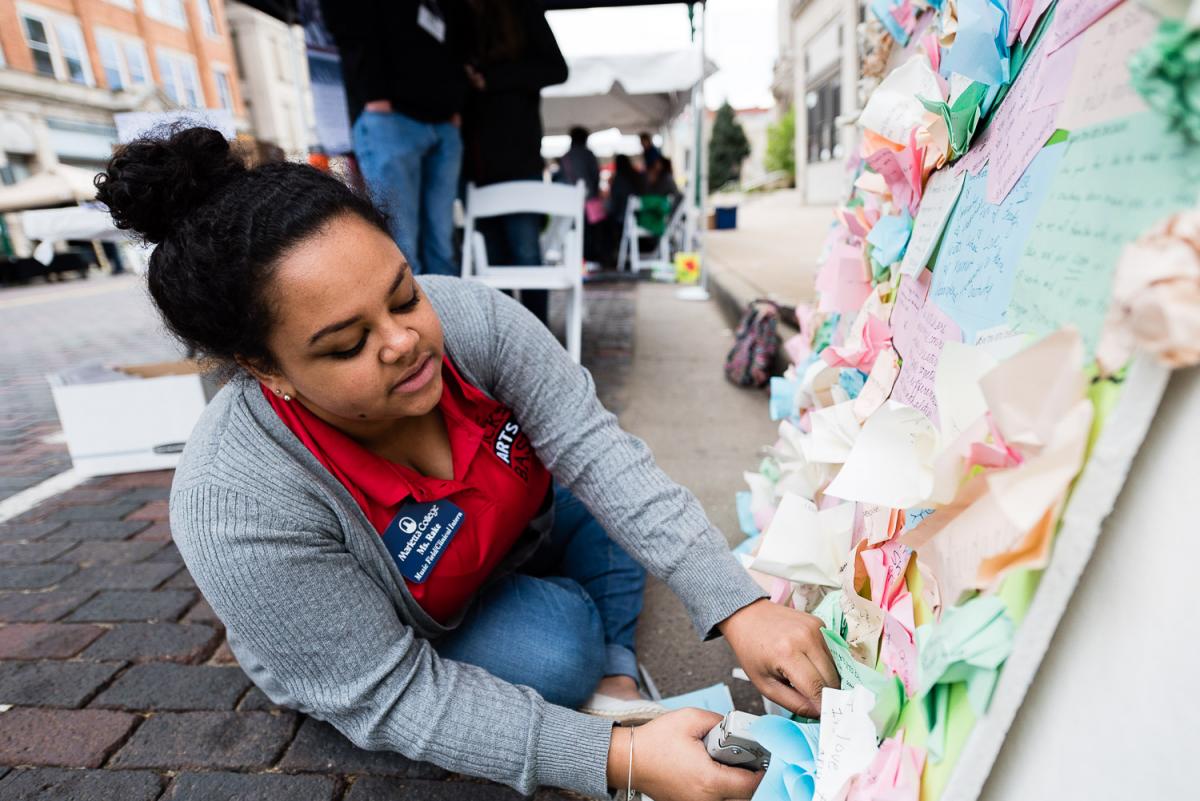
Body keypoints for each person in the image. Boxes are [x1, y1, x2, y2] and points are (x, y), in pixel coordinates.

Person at [94, 127, 839, 801]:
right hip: (409, 624)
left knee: (610, 495)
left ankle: (616, 669)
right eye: (346, 344)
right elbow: (391, 693)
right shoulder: (235, 499)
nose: (406, 342)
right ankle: (597, 663)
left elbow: (599, 452)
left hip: (506, 534)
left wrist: (741, 606)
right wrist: (618, 756)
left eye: (403, 295)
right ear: (265, 367)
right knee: (556, 655)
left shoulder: (469, 317)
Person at [321, 0, 470, 276]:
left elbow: (461, 35)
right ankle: (411, 318)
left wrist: (455, 103)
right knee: (402, 246)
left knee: (442, 243)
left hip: (443, 118)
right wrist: (375, 93)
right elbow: (345, 22)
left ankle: (447, 317)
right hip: (390, 118)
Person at [462, 0, 567, 325]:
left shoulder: (522, 13)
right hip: (475, 166)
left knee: (525, 255)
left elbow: (557, 70)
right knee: (492, 262)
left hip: (517, 161)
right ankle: (506, 342)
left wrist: (491, 81)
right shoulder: (460, 17)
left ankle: (537, 339)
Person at [555, 126, 604, 263]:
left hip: (570, 199)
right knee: (590, 231)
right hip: (589, 199)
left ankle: (575, 259)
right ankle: (590, 259)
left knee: (572, 230)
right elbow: (595, 175)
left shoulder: (565, 157)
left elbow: (562, 177)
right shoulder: (588, 154)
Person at [606, 154, 644, 267]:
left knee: (605, 224)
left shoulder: (619, 178)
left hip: (624, 218)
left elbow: (614, 203)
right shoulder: (635, 176)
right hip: (638, 215)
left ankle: (611, 257)